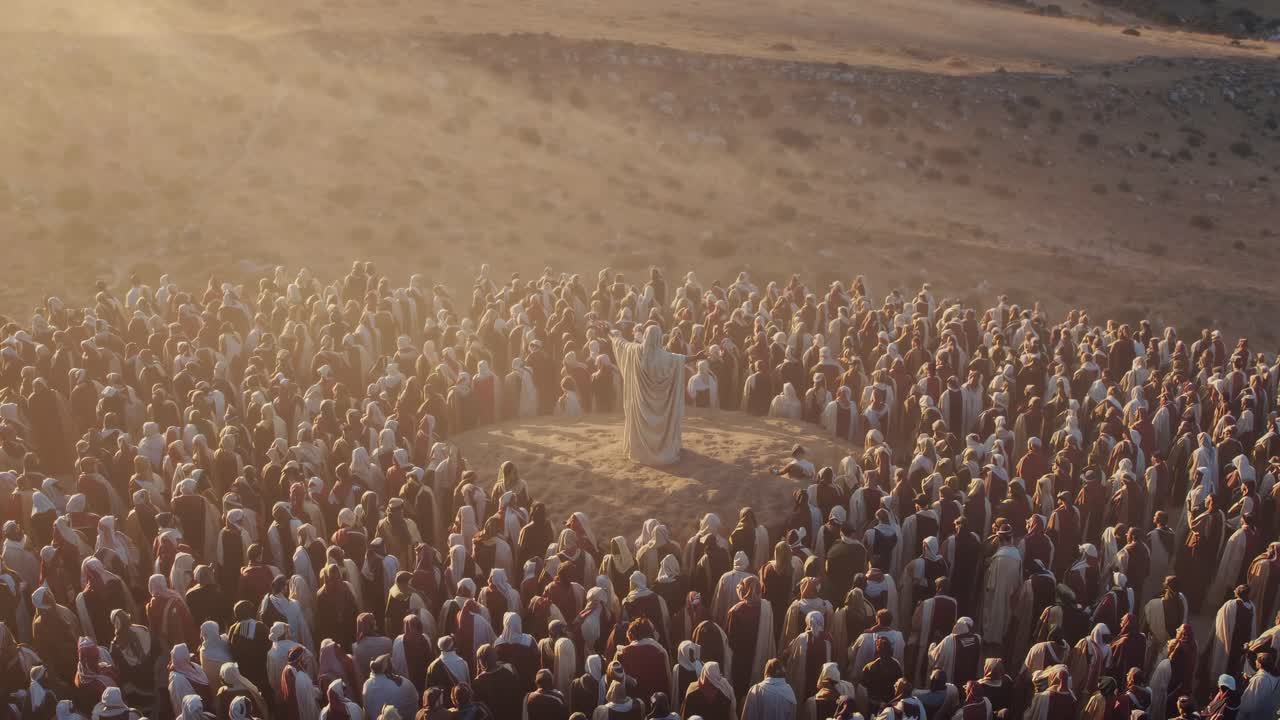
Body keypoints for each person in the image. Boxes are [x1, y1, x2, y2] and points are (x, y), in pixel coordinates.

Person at [610, 326, 693, 466]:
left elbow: (620, 343)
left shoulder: (634, 351)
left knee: (640, 424)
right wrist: (698, 357)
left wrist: (609, 333)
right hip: (660, 404)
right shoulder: (665, 357)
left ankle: (641, 450)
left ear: (646, 336)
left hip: (641, 401)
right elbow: (680, 360)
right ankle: (661, 449)